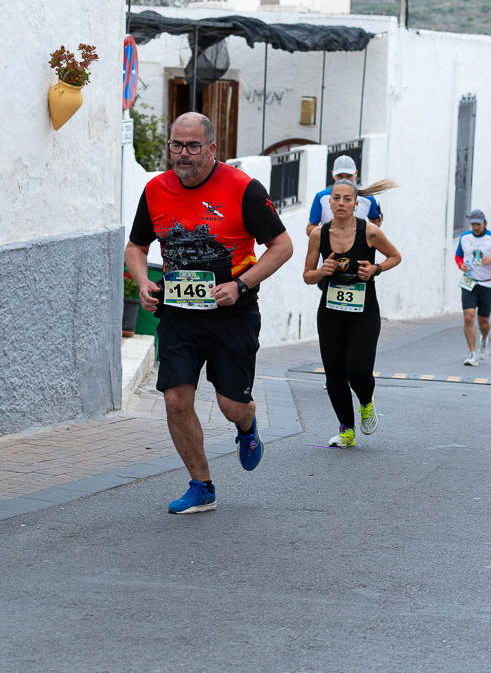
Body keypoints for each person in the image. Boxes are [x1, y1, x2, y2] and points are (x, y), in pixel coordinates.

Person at [124, 112, 293, 513]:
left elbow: (282, 246)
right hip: (179, 313)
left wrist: (240, 285)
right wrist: (143, 282)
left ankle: (247, 425)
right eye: (176, 145)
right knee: (175, 400)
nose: (183, 154)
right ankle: (201, 486)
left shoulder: (243, 188)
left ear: (212, 148)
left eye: (193, 146)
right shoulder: (155, 190)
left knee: (231, 406)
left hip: (232, 312)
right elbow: (136, 247)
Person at [303, 179, 402, 447]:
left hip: (364, 310)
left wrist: (375, 269)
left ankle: (366, 402)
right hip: (330, 312)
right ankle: (346, 430)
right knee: (334, 374)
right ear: (329, 202)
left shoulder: (370, 232)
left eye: (347, 199)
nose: (341, 203)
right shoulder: (318, 234)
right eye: (336, 198)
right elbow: (307, 276)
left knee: (358, 370)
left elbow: (395, 256)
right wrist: (321, 272)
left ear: (356, 204)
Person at [455, 209, 491, 367]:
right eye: (473, 224)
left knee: (483, 322)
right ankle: (472, 354)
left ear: (485, 223)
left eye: (478, 224)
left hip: (488, 284)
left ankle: (484, 338)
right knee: (468, 317)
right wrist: (460, 264)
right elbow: (458, 255)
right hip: (469, 282)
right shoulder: (464, 237)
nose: (475, 227)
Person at [306, 155, 397, 236]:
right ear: (333, 174)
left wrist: (362, 234)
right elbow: (310, 229)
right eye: (340, 176)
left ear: (355, 174)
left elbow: (376, 221)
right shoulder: (321, 197)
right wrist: (327, 228)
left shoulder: (367, 198)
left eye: (348, 176)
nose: (344, 180)